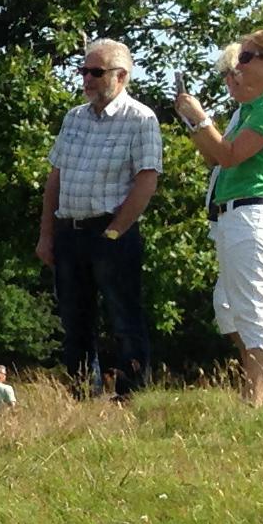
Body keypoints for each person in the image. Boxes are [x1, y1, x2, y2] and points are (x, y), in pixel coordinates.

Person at [174, 29, 263, 408]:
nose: (238, 67)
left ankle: (256, 402)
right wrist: (195, 123)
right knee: (232, 307)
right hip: (237, 214)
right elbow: (215, 156)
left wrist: (200, 118)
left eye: (246, 58)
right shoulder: (253, 108)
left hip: (254, 214)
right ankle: (255, 397)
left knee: (255, 309)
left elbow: (229, 156)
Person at [36, 37, 165, 399]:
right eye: (84, 71)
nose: (87, 79)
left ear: (120, 76)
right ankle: (81, 396)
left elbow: (147, 180)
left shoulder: (140, 119)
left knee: (124, 319)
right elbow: (55, 178)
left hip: (111, 231)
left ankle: (130, 398)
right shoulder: (74, 117)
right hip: (70, 230)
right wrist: (46, 234)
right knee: (74, 323)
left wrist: (114, 232)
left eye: (96, 72)